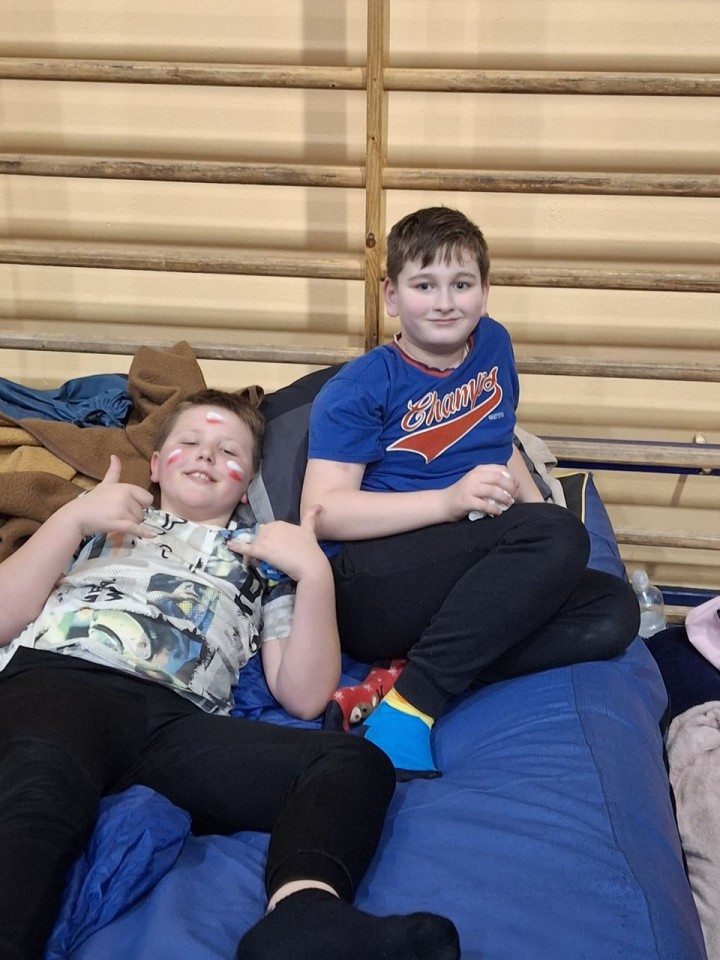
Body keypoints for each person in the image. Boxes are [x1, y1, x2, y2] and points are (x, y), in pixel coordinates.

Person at [0, 388, 460, 960]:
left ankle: (302, 916)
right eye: (190, 442)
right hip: (62, 682)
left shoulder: (264, 562)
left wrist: (314, 575)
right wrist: (71, 519)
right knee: (42, 795)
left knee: (351, 761)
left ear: (247, 485)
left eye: (228, 451)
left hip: (175, 723)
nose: (206, 455)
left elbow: (305, 697)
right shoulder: (97, 521)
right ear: (155, 465)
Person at [302, 206, 640, 780]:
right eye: (424, 286)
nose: (444, 302)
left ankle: (402, 678)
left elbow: (498, 441)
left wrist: (548, 544)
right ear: (391, 296)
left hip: (463, 567)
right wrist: (449, 502)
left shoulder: (494, 345)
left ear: (485, 293)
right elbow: (323, 512)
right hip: (370, 584)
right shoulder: (360, 386)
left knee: (613, 612)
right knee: (557, 535)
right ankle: (411, 708)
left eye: (461, 285)